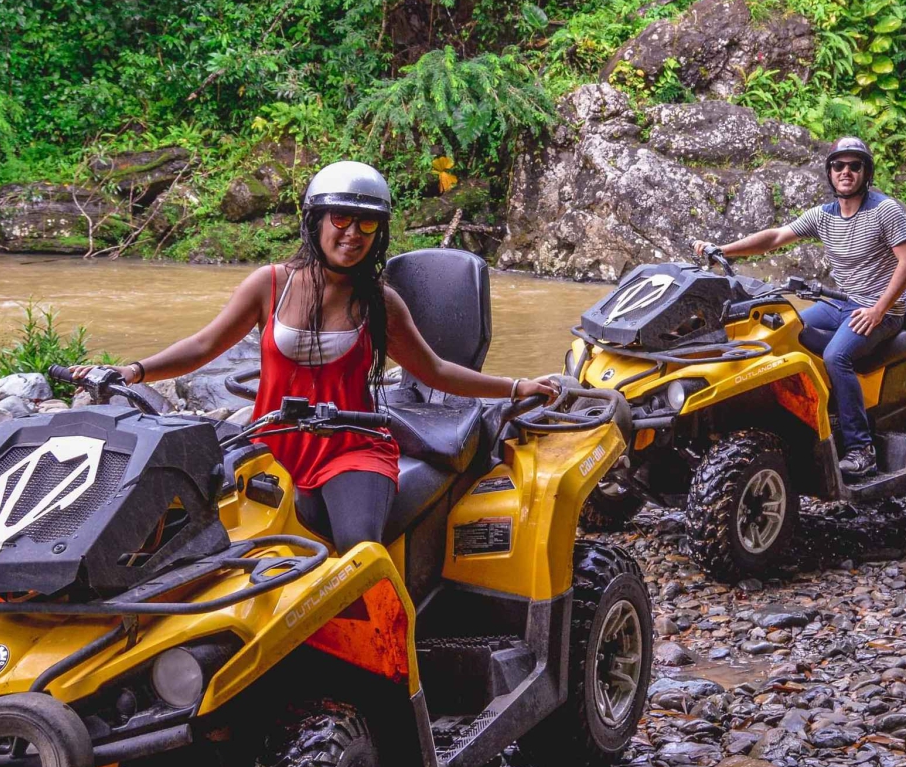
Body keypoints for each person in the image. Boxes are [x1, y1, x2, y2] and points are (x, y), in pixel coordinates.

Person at [70, 160, 557, 554]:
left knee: (359, 555)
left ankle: (396, 669)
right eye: (340, 218)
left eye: (367, 222)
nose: (352, 233)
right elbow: (203, 346)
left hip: (351, 448)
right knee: (182, 535)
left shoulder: (380, 302)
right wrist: (132, 371)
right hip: (269, 443)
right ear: (316, 221)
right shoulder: (270, 284)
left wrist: (517, 387)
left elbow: (435, 371)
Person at [692, 137, 906, 478]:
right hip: (841, 303)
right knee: (782, 331)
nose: (846, 172)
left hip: (881, 311)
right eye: (838, 166)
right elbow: (775, 237)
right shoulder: (824, 215)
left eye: (854, 166)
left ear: (865, 172)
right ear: (829, 172)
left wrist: (878, 310)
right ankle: (802, 418)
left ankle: (861, 448)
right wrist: (723, 249)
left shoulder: (884, 211)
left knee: (836, 357)